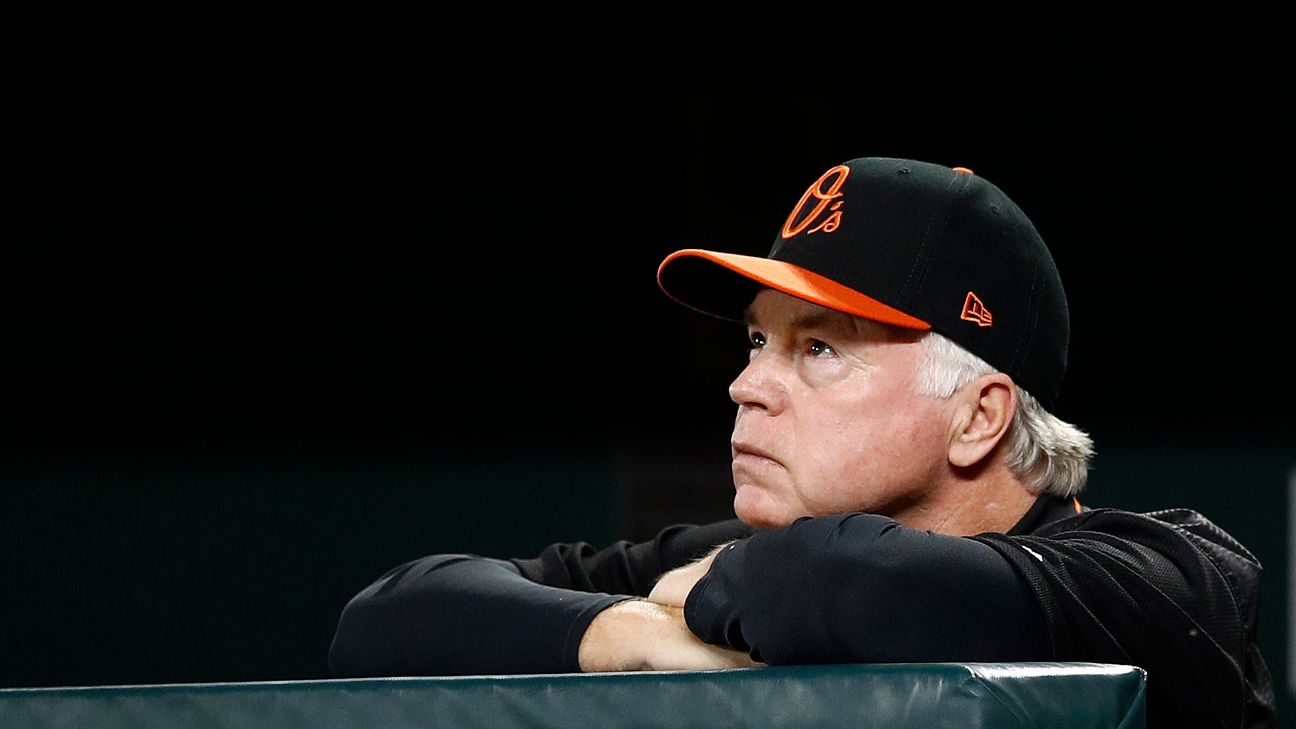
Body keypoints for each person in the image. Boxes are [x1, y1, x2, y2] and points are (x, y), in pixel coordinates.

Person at [328, 157, 1275, 728]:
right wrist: (631, 638)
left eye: (817, 348)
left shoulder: (1155, 576)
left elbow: (835, 584)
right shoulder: (717, 569)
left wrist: (719, 596)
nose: (746, 385)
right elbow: (389, 618)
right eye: (755, 339)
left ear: (980, 415)